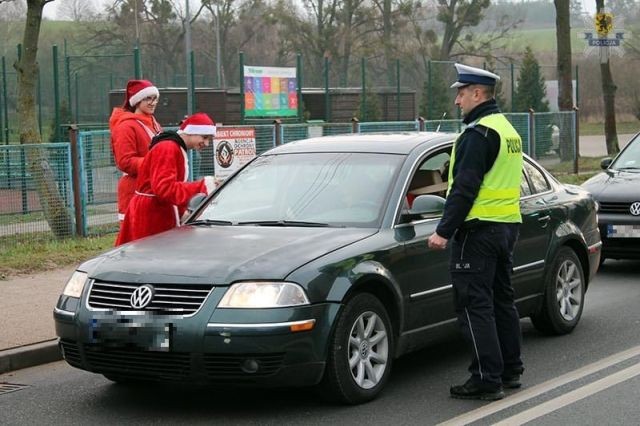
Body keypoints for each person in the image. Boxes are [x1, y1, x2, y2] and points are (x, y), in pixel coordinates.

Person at [427, 63, 524, 401]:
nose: (457, 101)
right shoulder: (507, 129)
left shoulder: (478, 133)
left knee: (474, 305)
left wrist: (443, 230)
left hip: (477, 232)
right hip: (506, 227)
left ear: (478, 94)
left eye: (461, 93)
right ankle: (510, 370)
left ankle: (486, 378)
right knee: (501, 300)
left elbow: (464, 189)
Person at [115, 113, 218, 245]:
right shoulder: (168, 148)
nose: (207, 143)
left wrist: (182, 212)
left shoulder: (174, 147)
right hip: (151, 215)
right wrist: (202, 186)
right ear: (191, 132)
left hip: (155, 211)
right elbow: (164, 188)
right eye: (204, 137)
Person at [109, 79, 163, 223]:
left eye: (155, 98)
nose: (153, 103)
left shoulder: (154, 123)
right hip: (134, 191)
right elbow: (125, 161)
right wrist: (155, 164)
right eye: (148, 99)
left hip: (153, 187)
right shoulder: (126, 126)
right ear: (137, 101)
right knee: (134, 241)